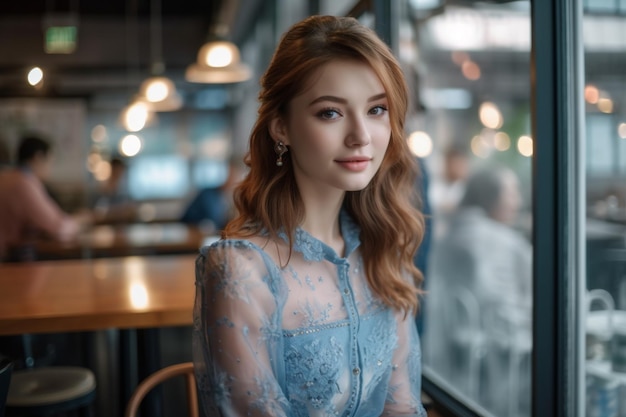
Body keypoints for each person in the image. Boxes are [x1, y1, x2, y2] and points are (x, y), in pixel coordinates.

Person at [193, 15, 427, 416]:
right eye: (330, 113)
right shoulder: (239, 270)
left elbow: (402, 406)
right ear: (281, 127)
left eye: (376, 110)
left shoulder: (383, 251)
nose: (361, 136)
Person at [425, 165, 531, 414]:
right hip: (503, 368)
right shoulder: (507, 245)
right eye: (512, 193)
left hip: (454, 367)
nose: (519, 201)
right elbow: (511, 311)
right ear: (490, 198)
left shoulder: (450, 236)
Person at [0, 135, 91, 261]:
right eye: (50, 161)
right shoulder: (23, 183)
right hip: (9, 261)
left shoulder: (7, 177)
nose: (50, 168)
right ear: (38, 157)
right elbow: (58, 228)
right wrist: (80, 220)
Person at [91, 157, 137, 224]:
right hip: (104, 227)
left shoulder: (125, 192)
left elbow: (132, 212)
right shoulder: (101, 191)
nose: (118, 174)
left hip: (122, 227)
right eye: (116, 171)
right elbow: (97, 215)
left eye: (120, 171)